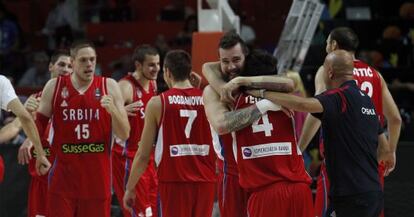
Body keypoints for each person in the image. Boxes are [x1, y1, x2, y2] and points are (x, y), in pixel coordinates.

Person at [249, 50, 395, 217]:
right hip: (373, 191)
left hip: (350, 196)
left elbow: (303, 105)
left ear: (330, 72)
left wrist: (262, 93)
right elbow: (384, 149)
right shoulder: (366, 100)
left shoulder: (339, 97)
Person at [202, 31, 313, 217]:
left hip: (265, 173)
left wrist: (242, 81)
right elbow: (221, 124)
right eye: (225, 61)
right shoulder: (214, 90)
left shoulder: (260, 86)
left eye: (236, 60)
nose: (231, 67)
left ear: (247, 57)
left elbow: (289, 83)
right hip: (232, 172)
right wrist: (265, 105)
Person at [298, 27, 402, 217]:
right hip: (371, 164)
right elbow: (395, 119)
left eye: (327, 43)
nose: (325, 48)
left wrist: (299, 149)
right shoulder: (375, 74)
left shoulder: (329, 69)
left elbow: (316, 112)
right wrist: (390, 152)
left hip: (340, 164)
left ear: (334, 45)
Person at [35, 42, 130, 217]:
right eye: (84, 60)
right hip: (63, 180)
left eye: (92, 60)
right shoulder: (54, 87)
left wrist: (114, 111)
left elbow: (125, 133)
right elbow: (38, 127)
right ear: (72, 63)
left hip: (97, 182)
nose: (89, 64)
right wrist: (39, 153)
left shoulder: (109, 86)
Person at [123, 50, 216, 217]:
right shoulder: (208, 99)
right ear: (190, 72)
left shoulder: (158, 102)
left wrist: (130, 188)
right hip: (206, 182)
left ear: (167, 72)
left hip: (174, 183)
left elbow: (143, 155)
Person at [15, 50, 72, 217]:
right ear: (51, 67)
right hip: (42, 175)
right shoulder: (35, 99)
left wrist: (29, 141)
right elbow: (17, 126)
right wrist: (27, 114)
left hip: (67, 176)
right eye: (61, 64)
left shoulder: (77, 100)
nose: (66, 69)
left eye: (70, 66)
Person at [112, 44, 159, 217]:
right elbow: (100, 112)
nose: (156, 69)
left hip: (147, 155)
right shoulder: (125, 86)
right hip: (127, 157)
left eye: (158, 64)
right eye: (151, 65)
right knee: (137, 212)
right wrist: (120, 112)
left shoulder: (153, 84)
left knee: (151, 210)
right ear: (138, 65)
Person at [0, 75, 50, 183]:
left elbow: (19, 122)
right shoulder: (2, 82)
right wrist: (40, 154)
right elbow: (24, 118)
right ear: (51, 67)